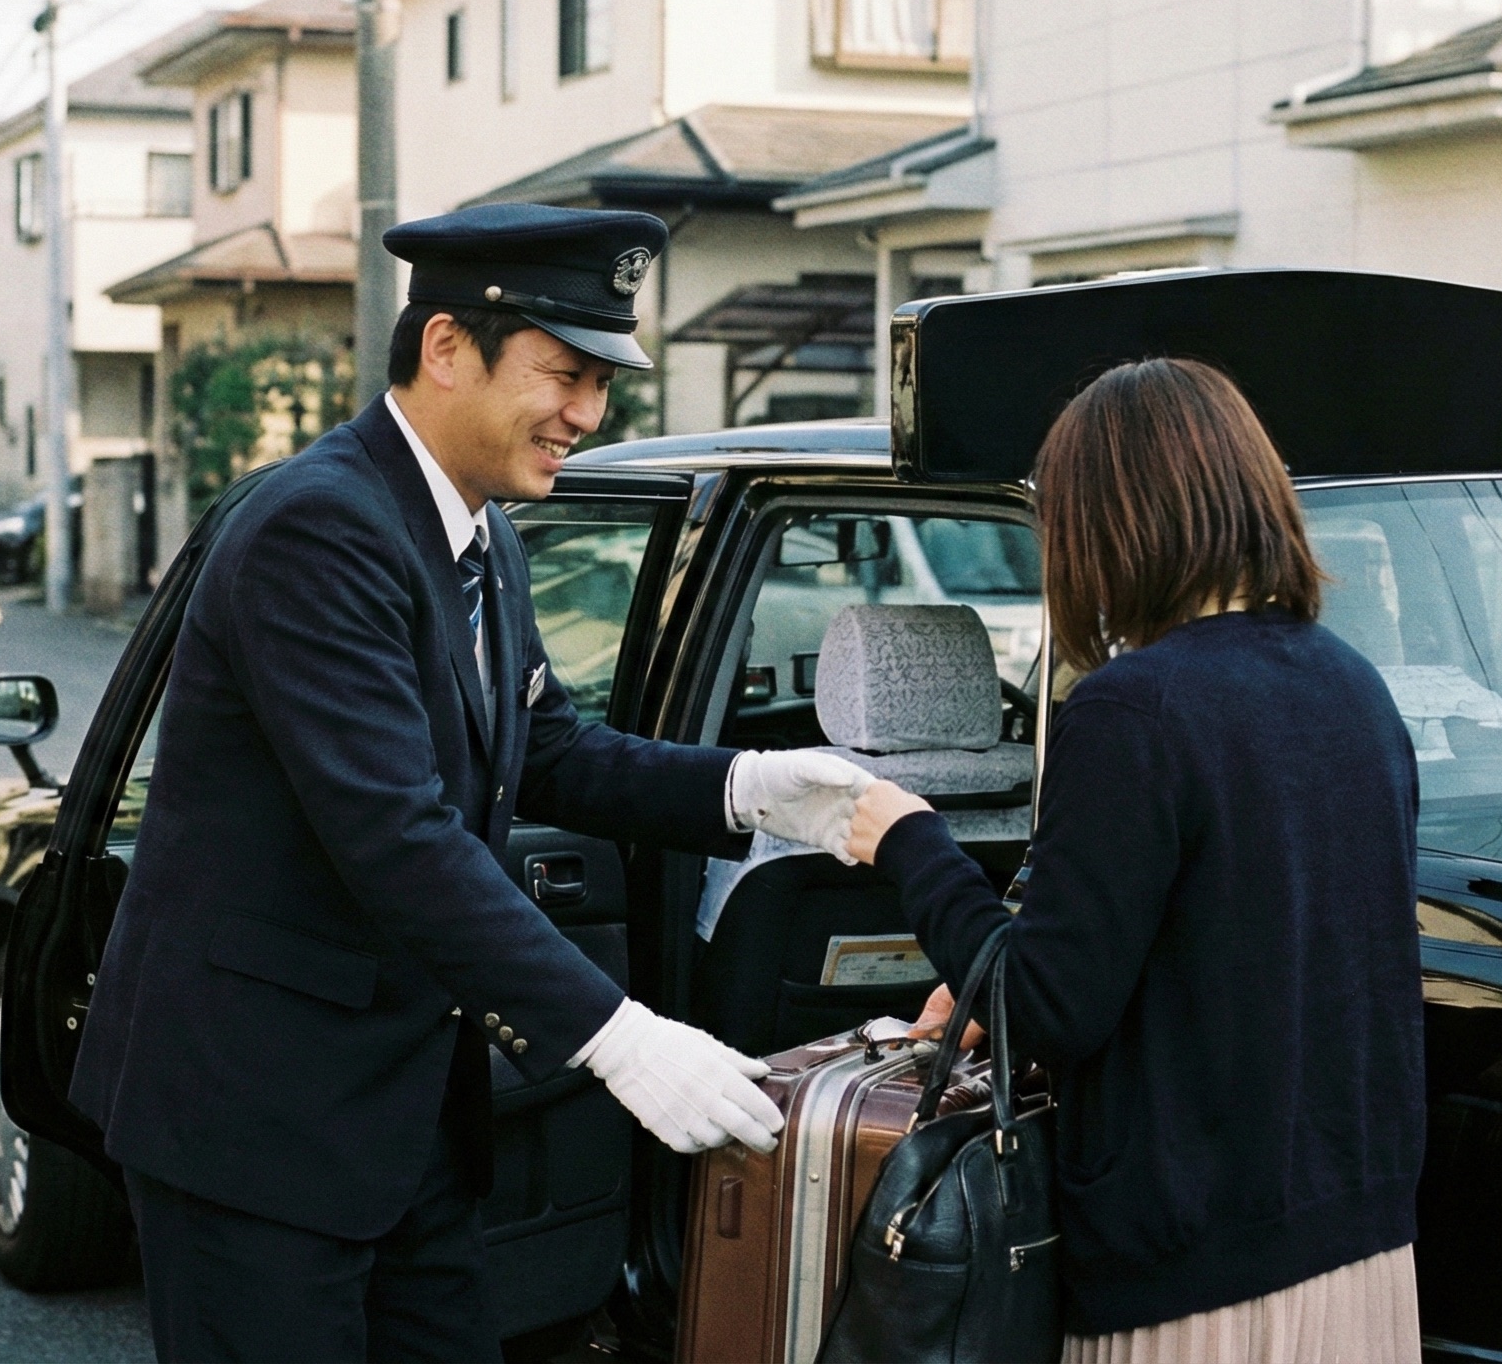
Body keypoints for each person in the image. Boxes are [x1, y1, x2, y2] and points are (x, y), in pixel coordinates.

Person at [69, 204, 875, 1364]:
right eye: (563, 374)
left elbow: (547, 747)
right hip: (256, 1117)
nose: (587, 415)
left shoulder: (481, 531)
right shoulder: (319, 528)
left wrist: (742, 785)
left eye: (603, 383)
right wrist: (617, 1037)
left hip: (402, 1116)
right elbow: (397, 834)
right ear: (445, 348)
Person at [845, 357, 1426, 1364]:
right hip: (1359, 1249)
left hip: (1197, 1277)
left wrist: (910, 841)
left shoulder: (1132, 707)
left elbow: (1048, 1006)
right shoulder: (1350, 682)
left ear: (1110, 524)